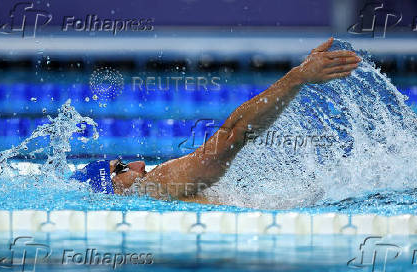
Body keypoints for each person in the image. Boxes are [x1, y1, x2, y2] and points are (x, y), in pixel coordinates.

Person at [71, 38, 361, 204]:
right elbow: (230, 139)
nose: (138, 164)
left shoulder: (151, 196)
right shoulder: (152, 186)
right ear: (113, 190)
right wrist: (296, 78)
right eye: (121, 168)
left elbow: (229, 135)